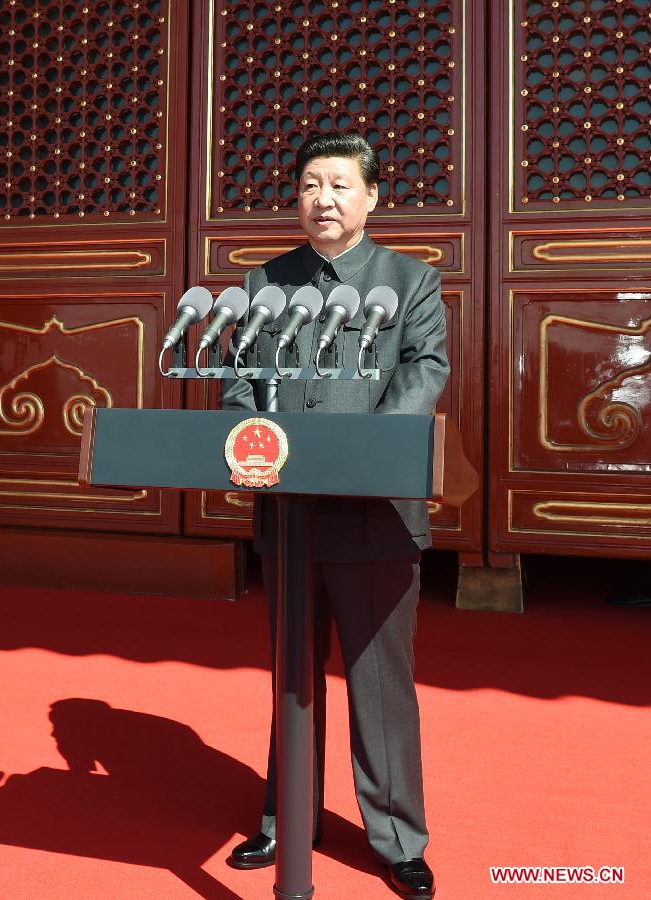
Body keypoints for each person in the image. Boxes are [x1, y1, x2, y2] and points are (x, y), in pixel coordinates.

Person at [221, 132, 449, 899]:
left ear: (372, 197)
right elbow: (239, 383)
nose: (323, 198)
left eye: (340, 185)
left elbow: (423, 373)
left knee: (379, 682)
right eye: (311, 184)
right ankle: (287, 820)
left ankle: (396, 837)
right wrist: (249, 443)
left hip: (375, 512)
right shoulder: (261, 281)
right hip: (289, 516)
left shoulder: (409, 280)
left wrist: (362, 450)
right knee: (291, 677)